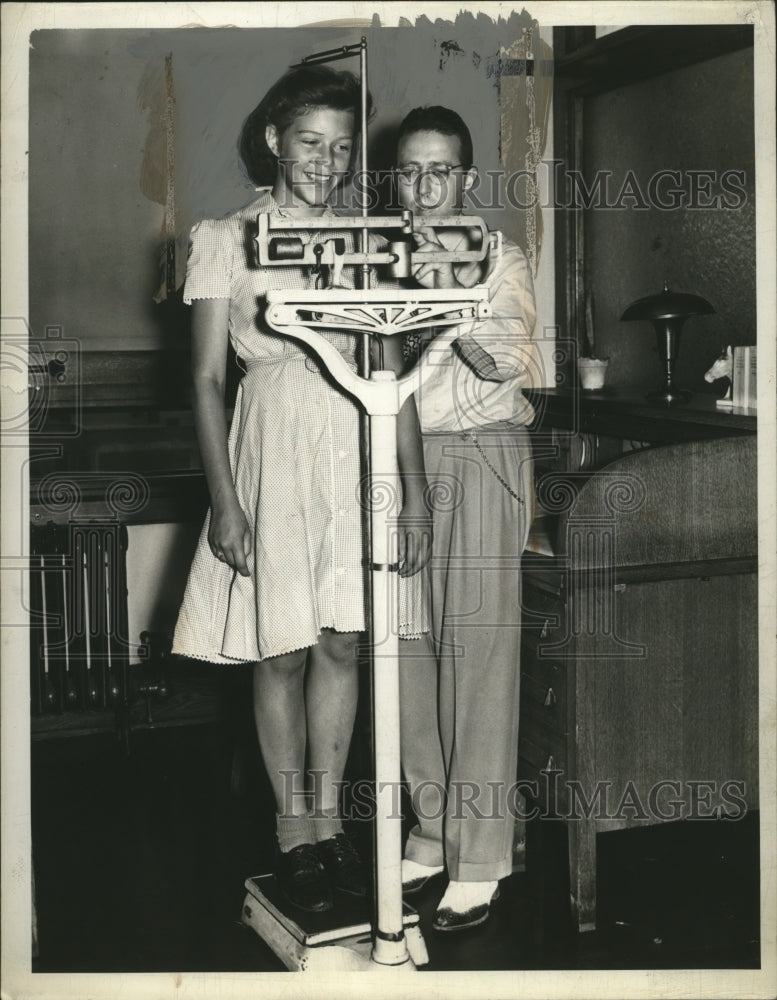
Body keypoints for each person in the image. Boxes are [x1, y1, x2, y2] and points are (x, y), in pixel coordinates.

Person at [171, 65, 430, 915]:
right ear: (273, 139)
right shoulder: (225, 237)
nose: (325, 162)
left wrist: (415, 493)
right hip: (270, 449)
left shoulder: (369, 242)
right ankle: (293, 834)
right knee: (279, 647)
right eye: (309, 142)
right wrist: (225, 500)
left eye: (341, 148)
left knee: (342, 643)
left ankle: (332, 825)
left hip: (356, 451)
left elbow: (392, 375)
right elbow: (206, 379)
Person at [394, 106, 540, 931]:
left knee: (476, 657)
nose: (423, 189)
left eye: (440, 171)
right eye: (410, 172)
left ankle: (479, 857)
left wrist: (446, 296)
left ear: (468, 179)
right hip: (398, 463)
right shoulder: (377, 257)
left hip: (478, 455)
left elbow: (507, 355)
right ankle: (430, 830)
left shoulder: (500, 256)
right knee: (405, 652)